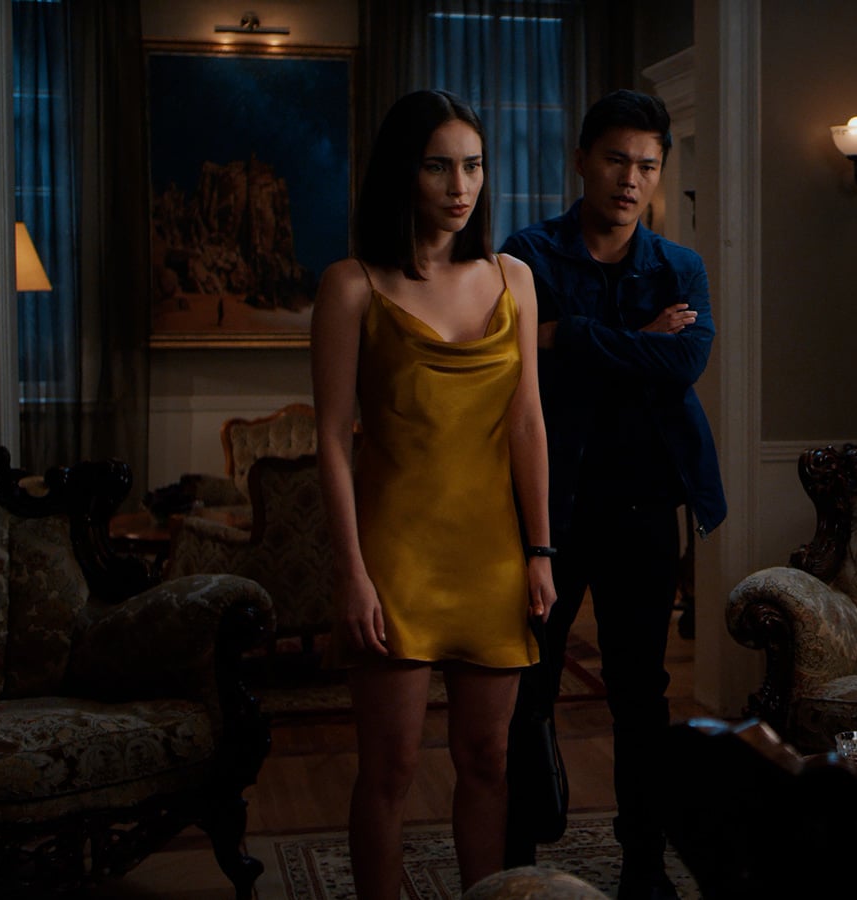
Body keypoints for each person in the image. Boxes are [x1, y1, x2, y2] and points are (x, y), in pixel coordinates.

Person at [310, 89, 556, 900]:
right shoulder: (352, 286)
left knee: (488, 760)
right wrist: (350, 572)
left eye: (473, 166)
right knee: (389, 770)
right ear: (401, 174)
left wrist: (540, 550)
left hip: (492, 557)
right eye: (438, 167)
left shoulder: (514, 278)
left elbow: (528, 423)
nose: (461, 187)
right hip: (396, 560)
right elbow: (332, 440)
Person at [499, 88, 726, 900]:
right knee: (528, 684)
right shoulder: (527, 255)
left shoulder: (678, 267)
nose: (631, 179)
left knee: (640, 694)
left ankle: (643, 863)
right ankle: (517, 856)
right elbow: (511, 364)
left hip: (643, 507)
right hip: (546, 509)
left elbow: (682, 364)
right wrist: (633, 345)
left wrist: (568, 335)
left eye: (648, 166)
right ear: (582, 161)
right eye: (617, 160)